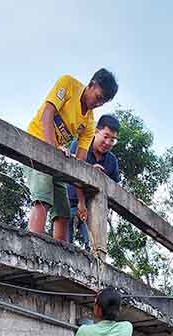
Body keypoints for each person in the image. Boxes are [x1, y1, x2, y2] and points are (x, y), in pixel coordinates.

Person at [24, 68, 119, 242]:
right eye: (98, 98)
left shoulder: (90, 123)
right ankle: (32, 247)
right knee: (43, 199)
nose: (97, 104)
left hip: (58, 160)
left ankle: (60, 260)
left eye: (102, 102)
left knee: (63, 213)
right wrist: (53, 148)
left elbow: (79, 162)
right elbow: (47, 114)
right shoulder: (68, 84)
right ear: (91, 85)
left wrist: (89, 171)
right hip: (36, 145)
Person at [66, 113, 122, 247]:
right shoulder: (79, 145)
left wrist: (102, 179)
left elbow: (115, 188)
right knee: (65, 244)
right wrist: (90, 172)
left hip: (94, 209)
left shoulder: (111, 160)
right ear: (97, 131)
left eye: (113, 140)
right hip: (70, 202)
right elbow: (76, 172)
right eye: (106, 136)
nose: (108, 142)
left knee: (95, 247)